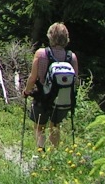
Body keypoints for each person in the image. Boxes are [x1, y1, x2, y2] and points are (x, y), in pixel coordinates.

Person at [22, 22, 78, 150]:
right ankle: (54, 154)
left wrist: (26, 92)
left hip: (43, 97)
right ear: (66, 38)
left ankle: (41, 152)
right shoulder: (72, 57)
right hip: (62, 99)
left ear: (50, 36)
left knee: (39, 126)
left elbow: (33, 78)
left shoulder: (41, 54)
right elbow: (75, 81)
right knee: (55, 126)